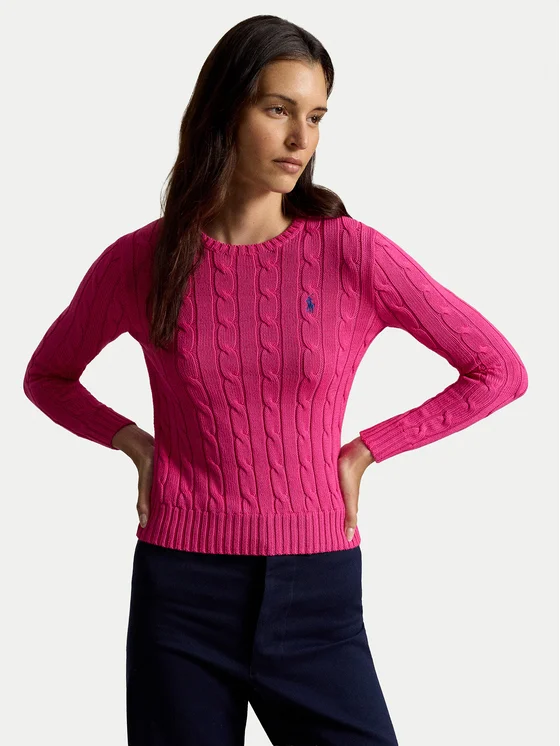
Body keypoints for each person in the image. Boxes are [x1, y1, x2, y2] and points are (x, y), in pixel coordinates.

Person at [22, 14, 528, 746]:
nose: (300, 139)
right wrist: (134, 443)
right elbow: (49, 375)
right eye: (278, 109)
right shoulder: (141, 261)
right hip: (181, 590)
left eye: (315, 117)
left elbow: (498, 369)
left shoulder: (351, 253)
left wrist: (367, 450)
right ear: (224, 112)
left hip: (316, 588)